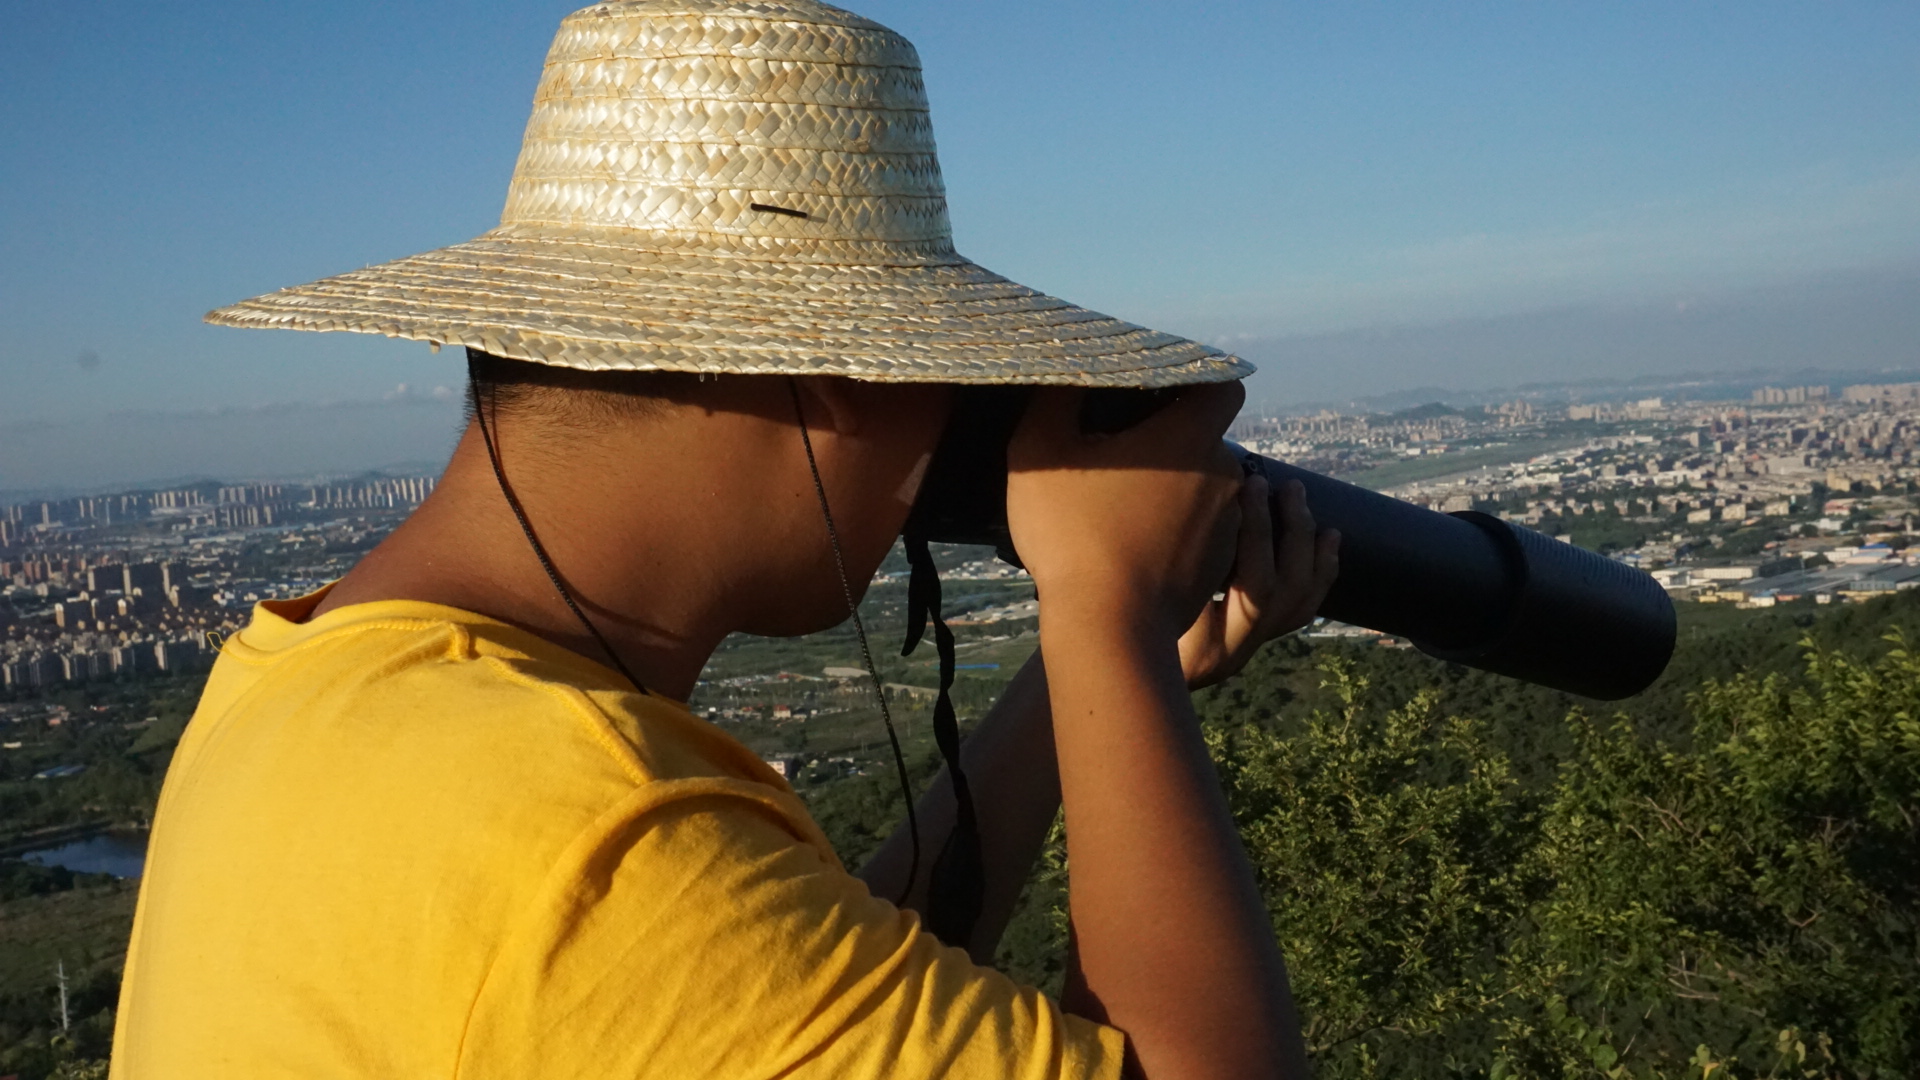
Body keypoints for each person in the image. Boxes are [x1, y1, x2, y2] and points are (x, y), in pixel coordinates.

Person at [112, 2, 1340, 1078]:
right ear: (840, 377)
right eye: (949, 383)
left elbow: (801, 1009)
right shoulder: (593, 847)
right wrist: (1104, 610)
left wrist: (1090, 685)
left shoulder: (297, 687)